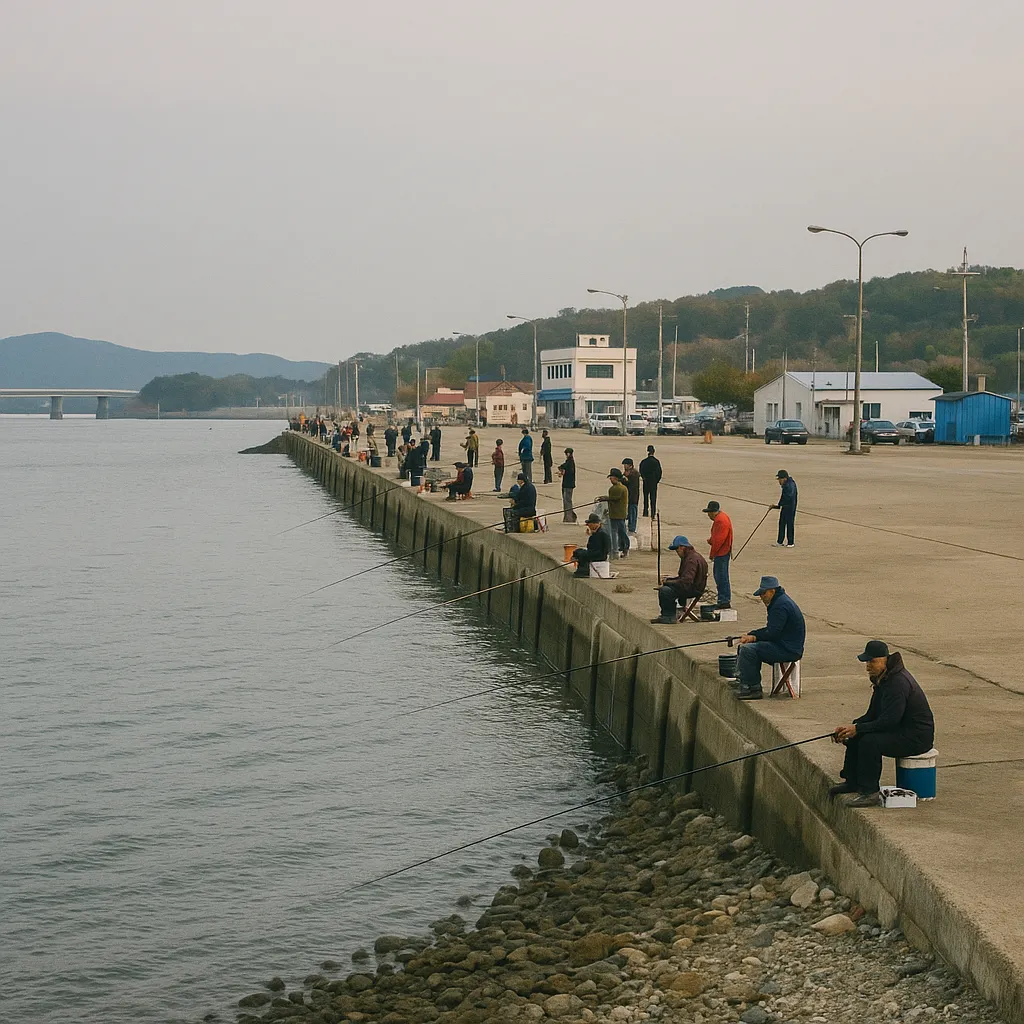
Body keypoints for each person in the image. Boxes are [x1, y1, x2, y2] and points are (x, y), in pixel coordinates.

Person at [830, 641, 935, 808]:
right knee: (858, 734)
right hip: (900, 730)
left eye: (872, 661)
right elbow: (871, 715)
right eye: (866, 661)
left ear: (884, 659)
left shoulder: (898, 683)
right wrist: (849, 728)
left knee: (870, 741)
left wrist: (858, 729)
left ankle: (870, 791)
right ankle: (852, 782)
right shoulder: (883, 679)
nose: (868, 666)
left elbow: (890, 721)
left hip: (916, 737)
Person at [735, 576, 806, 700]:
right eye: (760, 594)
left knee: (748, 650)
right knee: (746, 648)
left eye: (764, 593)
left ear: (772, 591)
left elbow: (772, 633)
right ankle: (743, 680)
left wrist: (754, 637)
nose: (762, 597)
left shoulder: (780, 606)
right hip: (784, 644)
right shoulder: (780, 601)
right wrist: (752, 634)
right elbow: (772, 630)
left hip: (788, 649)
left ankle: (753, 688)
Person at [651, 536, 708, 624]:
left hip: (693, 589)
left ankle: (669, 617)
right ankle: (668, 615)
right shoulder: (691, 556)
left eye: (677, 550)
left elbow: (686, 581)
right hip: (694, 586)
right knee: (667, 586)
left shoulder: (691, 560)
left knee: (665, 591)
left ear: (682, 547)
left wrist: (668, 583)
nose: (677, 553)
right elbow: (683, 578)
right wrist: (668, 580)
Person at [703, 500, 733, 609]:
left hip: (721, 552)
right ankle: (723, 599)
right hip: (724, 551)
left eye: (708, 513)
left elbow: (719, 540)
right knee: (721, 576)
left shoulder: (720, 521)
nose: (708, 515)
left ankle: (724, 600)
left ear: (712, 512)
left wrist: (712, 554)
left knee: (721, 577)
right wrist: (711, 540)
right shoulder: (722, 517)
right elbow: (717, 536)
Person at [572, 513, 612, 577]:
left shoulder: (601, 534)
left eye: (589, 525)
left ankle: (583, 571)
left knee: (581, 554)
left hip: (599, 555)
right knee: (578, 551)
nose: (589, 527)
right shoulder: (597, 532)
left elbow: (601, 548)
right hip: (595, 552)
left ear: (595, 524)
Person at [606, 468, 630, 558]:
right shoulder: (623, 488)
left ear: (615, 478)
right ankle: (621, 548)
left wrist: (605, 498)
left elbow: (614, 498)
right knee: (621, 532)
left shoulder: (616, 488)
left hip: (617, 514)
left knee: (618, 532)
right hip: (619, 514)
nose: (610, 479)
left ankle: (619, 549)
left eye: (611, 477)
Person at [774, 469, 798, 547]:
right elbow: (783, 497)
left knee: (790, 524)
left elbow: (788, 496)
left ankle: (790, 542)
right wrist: (778, 505)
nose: (779, 481)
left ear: (784, 478)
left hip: (790, 507)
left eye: (780, 479)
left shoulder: (790, 485)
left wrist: (780, 505)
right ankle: (780, 541)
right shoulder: (786, 484)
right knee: (782, 523)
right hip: (785, 507)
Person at [639, 445, 662, 518]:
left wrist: (644, 478)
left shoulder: (644, 461)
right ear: (653, 452)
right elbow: (659, 473)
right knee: (653, 498)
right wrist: (656, 480)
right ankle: (653, 513)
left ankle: (645, 512)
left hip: (646, 481)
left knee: (645, 498)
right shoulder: (656, 462)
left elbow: (641, 471)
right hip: (653, 482)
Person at [621, 458, 641, 534]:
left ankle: (632, 528)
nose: (624, 466)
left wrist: (624, 480)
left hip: (633, 496)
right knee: (629, 512)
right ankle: (630, 527)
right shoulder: (627, 473)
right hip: (629, 496)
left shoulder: (633, 474)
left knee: (632, 512)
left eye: (625, 465)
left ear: (630, 465)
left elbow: (631, 486)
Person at [559, 447, 577, 523]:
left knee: (567, 501)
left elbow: (568, 470)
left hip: (568, 485)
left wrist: (563, 470)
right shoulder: (568, 462)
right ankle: (567, 517)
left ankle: (569, 517)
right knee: (566, 501)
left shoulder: (570, 462)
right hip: (566, 484)